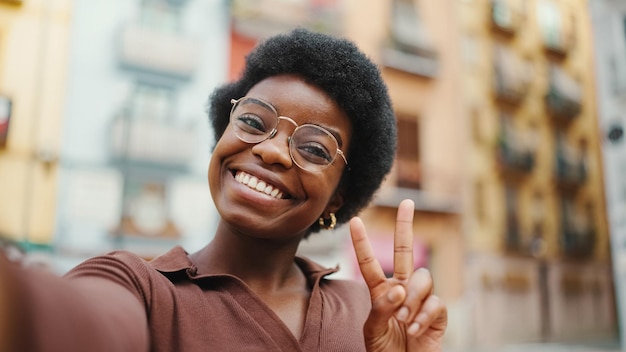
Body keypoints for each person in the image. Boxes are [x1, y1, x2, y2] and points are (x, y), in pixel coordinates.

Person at [0, 28, 447, 351]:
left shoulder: (368, 312)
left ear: (337, 198)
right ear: (221, 138)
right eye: (253, 122)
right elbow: (60, 320)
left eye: (313, 148)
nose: (272, 152)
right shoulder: (140, 288)